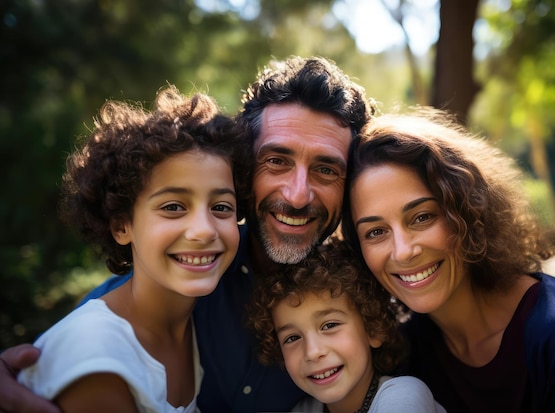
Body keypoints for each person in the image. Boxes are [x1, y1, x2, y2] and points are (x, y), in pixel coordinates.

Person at [0, 56, 375, 413]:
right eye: (276, 161)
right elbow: (85, 337)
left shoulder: (364, 288)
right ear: (244, 172)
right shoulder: (187, 269)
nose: (297, 195)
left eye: (326, 170)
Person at [341, 108, 555, 412]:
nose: (402, 251)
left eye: (422, 217)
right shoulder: (400, 355)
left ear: (465, 211)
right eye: (375, 232)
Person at [16, 86, 243, 412]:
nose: (204, 230)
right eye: (174, 207)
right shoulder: (97, 360)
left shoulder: (198, 325)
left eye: (222, 207)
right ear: (122, 225)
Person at [249, 238, 446, 413]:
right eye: (292, 338)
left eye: (329, 325)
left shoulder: (404, 395)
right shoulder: (303, 409)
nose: (312, 352)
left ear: (372, 329)